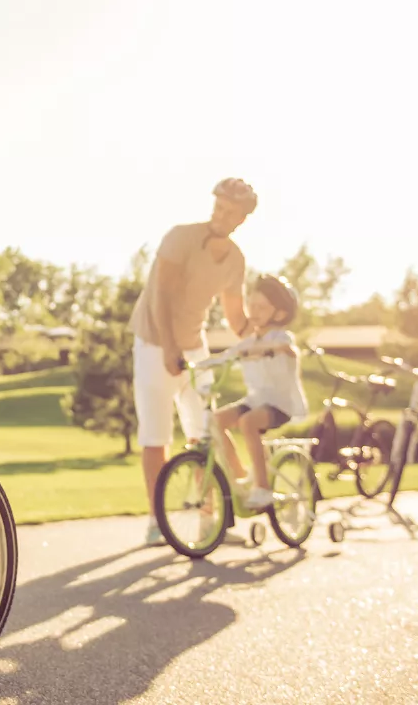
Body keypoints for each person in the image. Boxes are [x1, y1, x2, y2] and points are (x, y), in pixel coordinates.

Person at [129, 178, 256, 546]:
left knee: (205, 434)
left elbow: (237, 319)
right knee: (156, 437)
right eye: (218, 206)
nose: (220, 215)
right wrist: (170, 348)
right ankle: (157, 523)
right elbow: (160, 297)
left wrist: (268, 336)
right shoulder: (180, 238)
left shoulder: (235, 259)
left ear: (242, 219)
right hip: (154, 343)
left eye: (229, 211)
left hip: (195, 348)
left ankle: (208, 523)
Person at [211, 274, 308, 510]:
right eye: (251, 305)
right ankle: (241, 474)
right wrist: (196, 364)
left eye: (260, 307)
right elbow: (226, 355)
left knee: (247, 422)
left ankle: (263, 488)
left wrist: (267, 349)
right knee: (215, 421)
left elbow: (288, 349)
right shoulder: (249, 341)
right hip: (256, 401)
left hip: (280, 405)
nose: (253, 311)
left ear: (280, 314)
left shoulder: (282, 338)